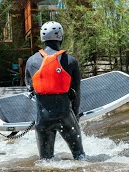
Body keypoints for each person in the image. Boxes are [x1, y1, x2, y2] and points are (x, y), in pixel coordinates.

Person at [25, 21, 86, 160]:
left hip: (42, 120)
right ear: (61, 36)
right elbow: (77, 93)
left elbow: (30, 90)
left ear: (42, 38)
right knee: (80, 157)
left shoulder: (31, 61)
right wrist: (75, 117)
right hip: (66, 117)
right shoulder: (71, 61)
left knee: (46, 163)